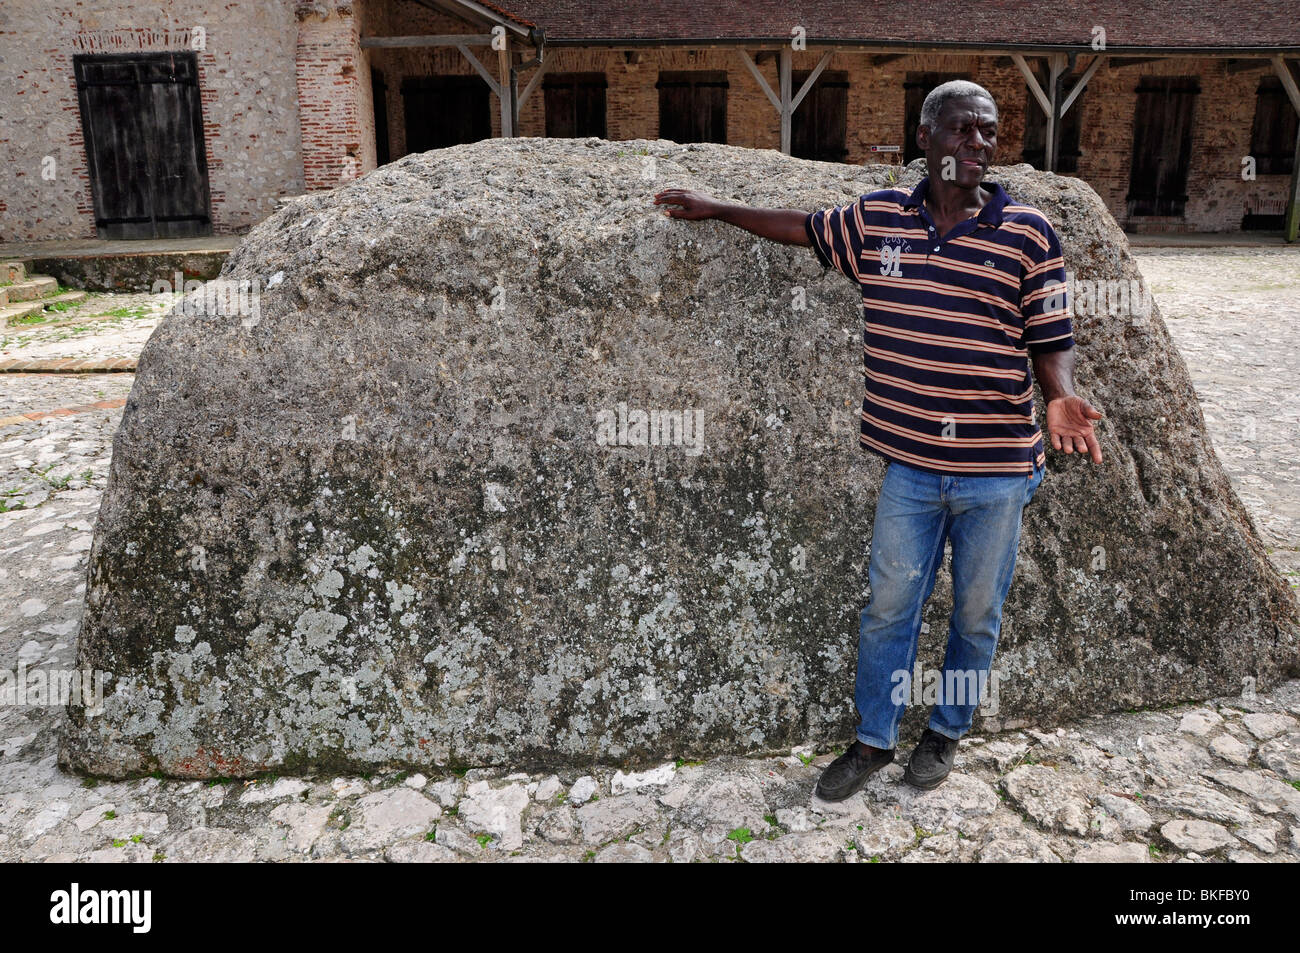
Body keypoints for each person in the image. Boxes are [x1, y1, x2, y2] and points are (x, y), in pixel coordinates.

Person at [652, 79, 1103, 801]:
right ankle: (872, 738)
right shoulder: (880, 221)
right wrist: (716, 209)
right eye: (962, 130)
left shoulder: (1029, 233)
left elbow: (1050, 337)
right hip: (912, 467)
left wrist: (1060, 397)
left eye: (987, 132)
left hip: (996, 468)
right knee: (889, 604)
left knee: (976, 609)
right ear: (925, 136)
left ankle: (946, 730)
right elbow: (801, 226)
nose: (977, 144)